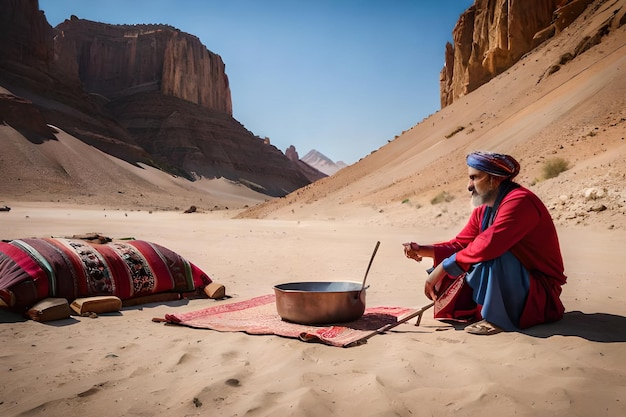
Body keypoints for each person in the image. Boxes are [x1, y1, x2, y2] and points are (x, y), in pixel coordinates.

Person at [403, 151, 567, 335]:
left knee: (492, 255)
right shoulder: (485, 209)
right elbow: (461, 244)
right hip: (520, 284)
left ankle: (498, 319)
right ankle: (490, 310)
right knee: (470, 255)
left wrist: (441, 270)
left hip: (540, 294)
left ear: (494, 179)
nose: (469, 186)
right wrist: (421, 250)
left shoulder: (520, 201)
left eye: (474, 178)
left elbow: (489, 245)